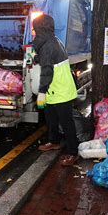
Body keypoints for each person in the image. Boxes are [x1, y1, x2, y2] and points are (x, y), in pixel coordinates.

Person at [33, 14, 79, 166]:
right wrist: (37, 58)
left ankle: (73, 152)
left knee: (66, 123)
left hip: (60, 90)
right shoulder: (53, 40)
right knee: (51, 118)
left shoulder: (47, 46)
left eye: (35, 29)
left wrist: (41, 92)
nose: (33, 32)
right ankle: (54, 141)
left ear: (41, 29)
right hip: (55, 90)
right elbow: (49, 59)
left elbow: (47, 71)